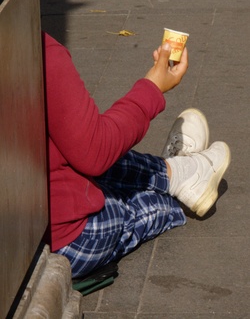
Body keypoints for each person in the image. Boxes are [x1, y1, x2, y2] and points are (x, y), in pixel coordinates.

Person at [42, 32, 231, 278]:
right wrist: (152, 87)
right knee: (123, 207)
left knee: (75, 149)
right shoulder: (39, 54)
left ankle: (178, 172)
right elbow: (95, 151)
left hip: (25, 222)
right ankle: (182, 194)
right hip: (67, 242)